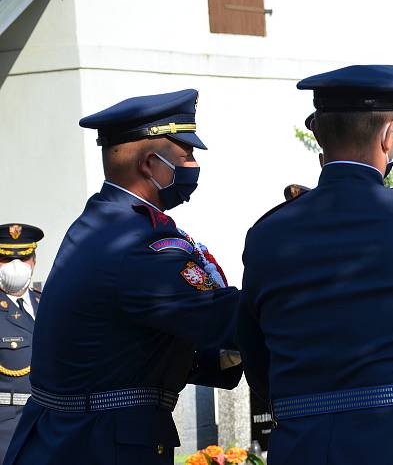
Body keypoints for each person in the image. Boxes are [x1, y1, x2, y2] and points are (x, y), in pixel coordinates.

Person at [237, 65, 393, 465]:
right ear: (388, 136)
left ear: (319, 135)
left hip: (301, 448)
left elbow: (259, 368)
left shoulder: (267, 235)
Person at [4, 89, 242, 465]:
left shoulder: (104, 223)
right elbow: (229, 318)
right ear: (151, 164)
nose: (194, 165)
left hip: (77, 439)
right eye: (187, 154)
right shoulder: (135, 244)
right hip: (99, 445)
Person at [0, 224, 43, 462]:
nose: (16, 266)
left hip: (46, 426)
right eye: (6, 259)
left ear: (34, 261)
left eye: (24, 257)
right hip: (5, 426)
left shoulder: (47, 305)